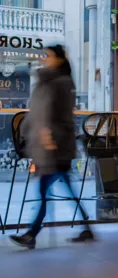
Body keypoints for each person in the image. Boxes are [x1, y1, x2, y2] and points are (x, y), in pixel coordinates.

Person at [10, 45, 94, 250]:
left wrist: (49, 138)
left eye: (48, 56)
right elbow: (36, 113)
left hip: (55, 147)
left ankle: (32, 233)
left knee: (44, 191)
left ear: (59, 60)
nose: (43, 59)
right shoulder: (45, 82)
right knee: (64, 188)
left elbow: (61, 116)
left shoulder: (61, 83)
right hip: (46, 146)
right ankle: (87, 227)